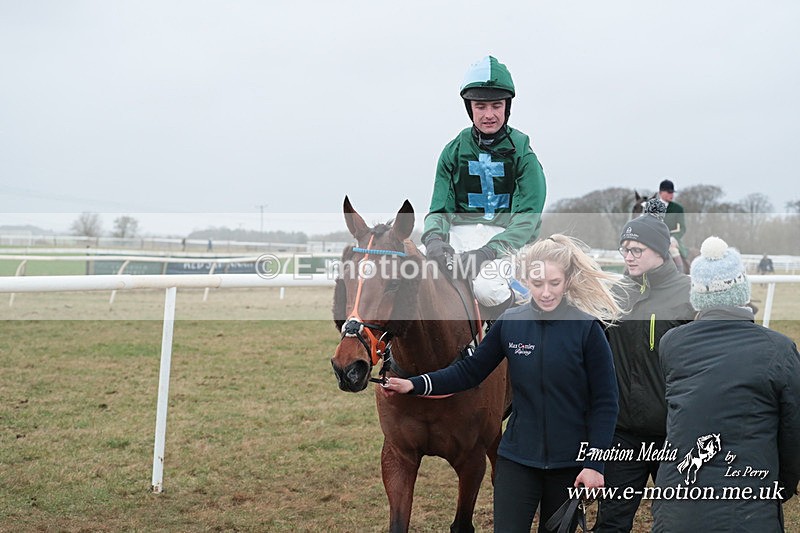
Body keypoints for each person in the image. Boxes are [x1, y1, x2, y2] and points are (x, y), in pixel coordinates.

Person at [382, 234, 622, 532]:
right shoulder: (510, 322)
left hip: (569, 465)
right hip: (517, 461)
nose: (546, 292)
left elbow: (605, 403)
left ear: (568, 281)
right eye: (537, 283)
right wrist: (414, 385)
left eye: (554, 283)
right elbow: (470, 371)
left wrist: (594, 464)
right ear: (525, 280)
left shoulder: (588, 330)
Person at [652, 236, 800, 531]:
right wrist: (782, 486)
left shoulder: (672, 343)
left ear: (698, 295)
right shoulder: (779, 349)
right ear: (742, 292)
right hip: (748, 506)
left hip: (678, 505)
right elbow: (792, 430)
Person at [594, 200, 695, 533]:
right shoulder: (614, 294)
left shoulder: (690, 294)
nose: (628, 256)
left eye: (636, 249)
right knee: (611, 523)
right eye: (624, 249)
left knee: (676, 523)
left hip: (675, 435)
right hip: (622, 434)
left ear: (660, 251)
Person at [422, 55, 547, 311]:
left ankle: (518, 315)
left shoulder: (523, 152)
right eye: (480, 106)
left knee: (487, 289)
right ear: (470, 108)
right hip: (459, 236)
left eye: (496, 106)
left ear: (506, 107)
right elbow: (439, 210)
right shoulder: (453, 151)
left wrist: (489, 251)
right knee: (418, 278)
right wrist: (433, 238)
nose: (489, 115)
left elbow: (527, 218)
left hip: (508, 240)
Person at [657, 179, 688, 263]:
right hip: (654, 239)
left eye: (672, 192)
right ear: (660, 192)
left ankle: (680, 270)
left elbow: (682, 228)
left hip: (670, 241)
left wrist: (674, 238)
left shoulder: (678, 208)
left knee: (674, 252)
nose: (671, 195)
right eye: (669, 192)